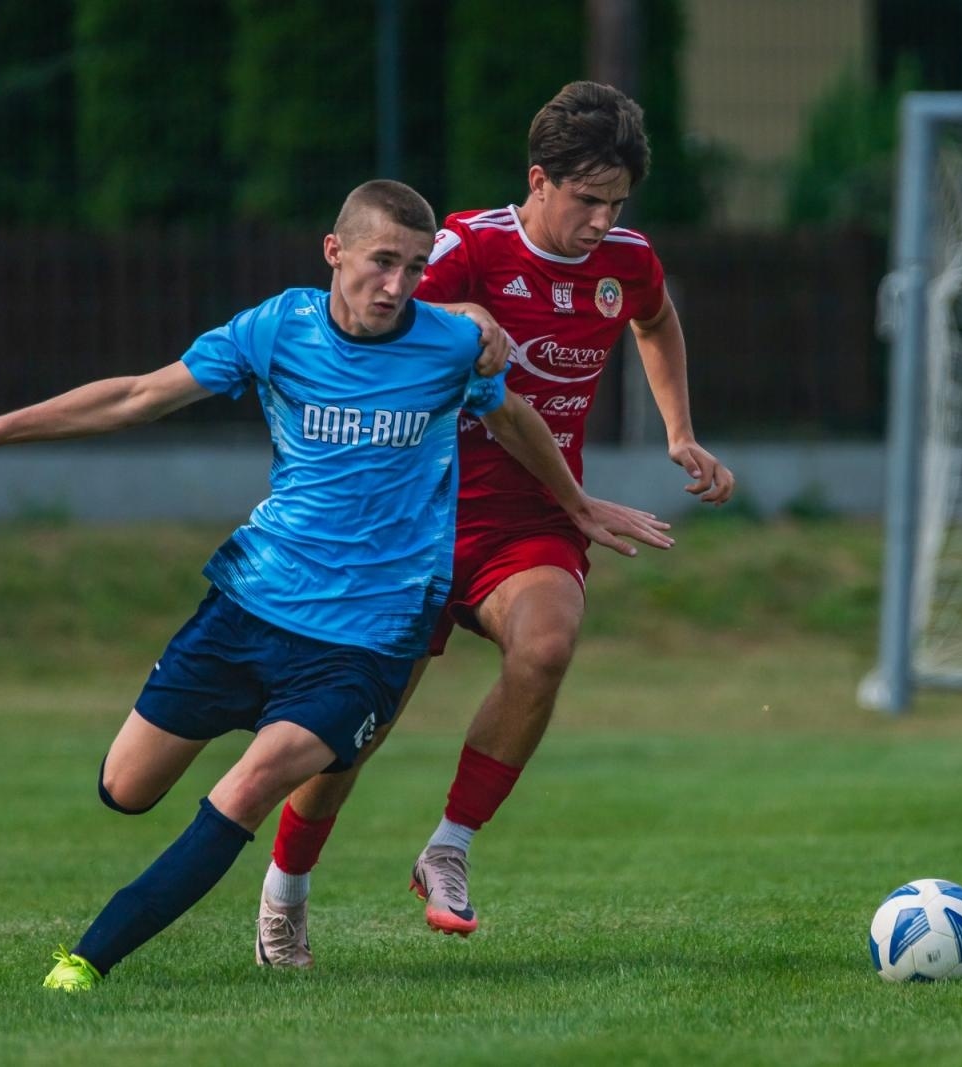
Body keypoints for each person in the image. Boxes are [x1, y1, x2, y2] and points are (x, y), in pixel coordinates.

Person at [0, 179, 673, 991]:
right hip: (250, 606)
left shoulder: (447, 346)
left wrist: (575, 504)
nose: (396, 286)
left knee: (253, 784)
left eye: (411, 266)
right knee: (125, 788)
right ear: (334, 253)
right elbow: (139, 395)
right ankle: (247, 739)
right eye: (379, 263)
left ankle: (88, 958)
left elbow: (511, 417)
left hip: (366, 639)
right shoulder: (276, 328)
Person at [256, 82, 735, 968]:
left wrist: (680, 431)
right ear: (538, 180)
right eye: (586, 200)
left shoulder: (626, 261)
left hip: (530, 521)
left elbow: (657, 322)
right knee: (358, 728)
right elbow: (371, 321)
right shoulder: (464, 248)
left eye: (616, 203)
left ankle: (449, 846)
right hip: (413, 521)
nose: (601, 221)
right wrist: (451, 317)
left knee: (548, 643)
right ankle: (286, 888)